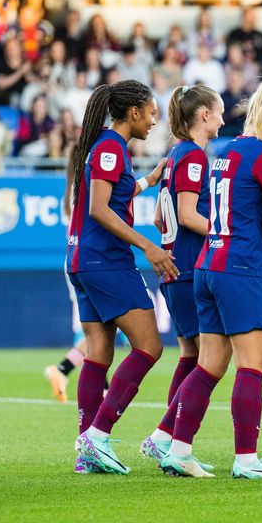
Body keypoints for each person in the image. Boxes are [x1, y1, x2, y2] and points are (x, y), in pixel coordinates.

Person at [159, 77, 262, 480]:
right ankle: (246, 458)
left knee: (208, 365)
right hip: (241, 267)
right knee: (252, 366)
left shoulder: (225, 151)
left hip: (207, 265)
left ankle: (178, 449)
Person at [66, 80, 175, 475]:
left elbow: (114, 195)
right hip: (105, 261)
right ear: (132, 113)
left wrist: (149, 179)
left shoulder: (107, 146)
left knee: (98, 352)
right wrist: (147, 246)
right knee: (149, 347)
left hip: (82, 260)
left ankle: (87, 452)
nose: (153, 122)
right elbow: (98, 207)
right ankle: (98, 435)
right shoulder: (111, 146)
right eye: (150, 114)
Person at [140, 84, 225, 468]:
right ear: (204, 114)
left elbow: (161, 217)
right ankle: (165, 436)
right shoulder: (193, 157)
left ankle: (167, 436)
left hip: (175, 269)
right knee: (209, 359)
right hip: (189, 269)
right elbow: (188, 215)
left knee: (191, 356)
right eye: (219, 111)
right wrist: (225, 231)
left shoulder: (175, 155)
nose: (223, 118)